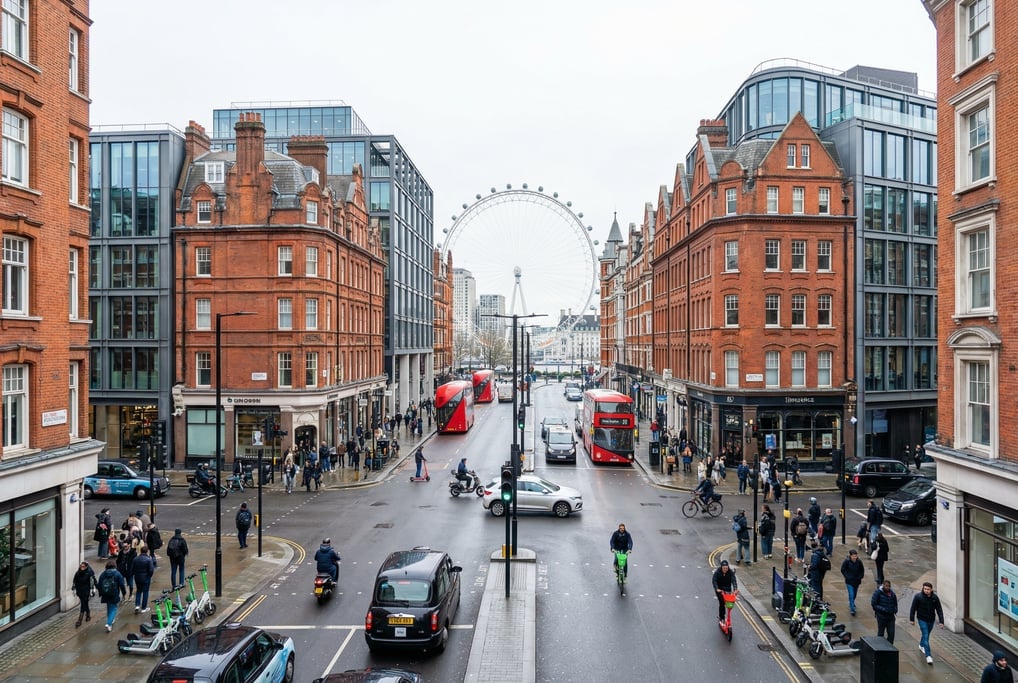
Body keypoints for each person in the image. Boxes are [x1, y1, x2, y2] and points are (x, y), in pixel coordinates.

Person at [909, 581, 945, 665]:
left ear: (931, 590)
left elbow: (939, 609)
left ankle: (921, 645)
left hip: (931, 620)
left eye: (928, 589)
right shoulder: (918, 597)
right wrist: (912, 619)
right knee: (925, 635)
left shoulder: (935, 598)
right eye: (925, 589)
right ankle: (928, 656)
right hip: (922, 619)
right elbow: (913, 608)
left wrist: (941, 621)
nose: (926, 590)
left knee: (927, 634)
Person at [97, 560, 127, 633]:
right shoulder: (117, 574)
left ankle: (110, 619)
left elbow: (99, 584)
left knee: (109, 607)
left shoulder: (103, 574)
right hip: (114, 593)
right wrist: (124, 593)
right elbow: (122, 585)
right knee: (113, 608)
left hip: (105, 593)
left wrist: (101, 592)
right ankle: (109, 623)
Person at [871, 579, 899, 644]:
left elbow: (895, 603)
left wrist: (895, 610)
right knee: (881, 633)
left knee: (891, 634)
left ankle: (889, 649)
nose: (887, 587)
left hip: (891, 617)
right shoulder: (877, 593)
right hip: (881, 617)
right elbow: (874, 604)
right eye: (886, 586)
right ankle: (879, 647)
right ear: (883, 585)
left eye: (889, 586)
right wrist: (883, 609)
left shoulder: (892, 594)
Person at [712, 559, 739, 625]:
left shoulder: (730, 572)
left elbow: (733, 580)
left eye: (726, 568)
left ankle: (728, 618)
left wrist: (735, 588)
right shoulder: (717, 572)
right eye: (724, 568)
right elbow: (714, 581)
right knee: (722, 603)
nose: (725, 569)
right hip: (720, 590)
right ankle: (722, 617)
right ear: (721, 567)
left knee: (729, 604)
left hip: (727, 589)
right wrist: (717, 588)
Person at [840, 549, 865, 616]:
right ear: (850, 556)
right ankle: (852, 609)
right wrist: (847, 576)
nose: (854, 557)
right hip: (849, 581)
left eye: (855, 556)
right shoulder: (847, 561)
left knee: (854, 594)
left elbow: (862, 570)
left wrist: (860, 576)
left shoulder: (859, 562)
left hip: (857, 581)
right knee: (851, 594)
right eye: (853, 556)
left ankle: (852, 602)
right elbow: (843, 569)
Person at [73, 560, 97, 628]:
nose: (81, 568)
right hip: (79, 591)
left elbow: (93, 582)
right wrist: (74, 589)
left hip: (86, 591)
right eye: (81, 566)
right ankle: (88, 614)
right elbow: (74, 581)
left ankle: (80, 620)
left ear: (86, 567)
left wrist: (95, 590)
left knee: (83, 604)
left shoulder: (89, 573)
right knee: (85, 603)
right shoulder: (78, 573)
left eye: (83, 567)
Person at [132, 546, 155, 614]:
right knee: (145, 592)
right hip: (146, 577)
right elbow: (151, 570)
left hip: (137, 577)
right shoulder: (148, 560)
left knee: (138, 591)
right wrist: (149, 576)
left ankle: (137, 605)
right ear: (147, 551)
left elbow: (132, 568)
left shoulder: (135, 559)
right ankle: (144, 608)